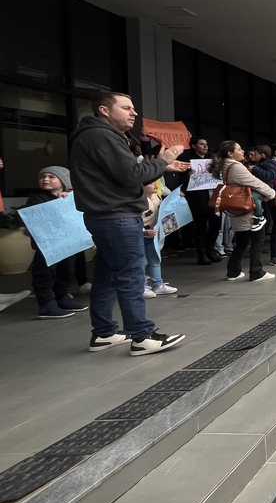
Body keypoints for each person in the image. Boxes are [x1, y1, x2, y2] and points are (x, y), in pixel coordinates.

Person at [69, 91, 189, 355]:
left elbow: (119, 174)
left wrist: (161, 167)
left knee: (107, 276)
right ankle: (142, 336)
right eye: (126, 107)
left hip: (106, 216)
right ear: (104, 110)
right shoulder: (101, 135)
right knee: (130, 276)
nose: (134, 113)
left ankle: (104, 333)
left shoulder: (95, 135)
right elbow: (131, 175)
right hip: (116, 216)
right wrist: (163, 160)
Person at [26, 166, 88, 319]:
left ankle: (62, 296)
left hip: (68, 243)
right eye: (43, 177)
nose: (46, 179)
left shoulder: (71, 197)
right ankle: (46, 303)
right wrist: (60, 202)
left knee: (67, 269)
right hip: (47, 246)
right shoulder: (37, 197)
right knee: (45, 273)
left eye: (51, 177)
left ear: (64, 182)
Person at [209, 141, 276, 282]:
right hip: (246, 209)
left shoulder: (226, 166)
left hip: (237, 208)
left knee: (242, 241)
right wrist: (271, 193)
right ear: (230, 153)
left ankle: (233, 271)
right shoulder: (236, 167)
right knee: (258, 239)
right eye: (239, 149)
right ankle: (256, 271)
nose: (243, 151)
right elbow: (253, 182)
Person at [178, 138, 224, 266]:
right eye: (201, 144)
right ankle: (201, 254)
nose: (205, 146)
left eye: (206, 144)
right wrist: (187, 175)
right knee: (201, 225)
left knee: (216, 223)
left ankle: (210, 249)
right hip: (197, 196)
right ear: (194, 146)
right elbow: (180, 177)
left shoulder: (212, 157)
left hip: (213, 194)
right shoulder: (187, 159)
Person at [141, 181, 176, 298]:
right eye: (151, 184)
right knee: (141, 261)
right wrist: (143, 231)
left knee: (155, 259)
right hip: (141, 234)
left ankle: (158, 284)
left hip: (154, 234)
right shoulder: (137, 200)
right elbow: (133, 219)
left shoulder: (157, 197)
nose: (156, 185)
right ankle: (141, 286)